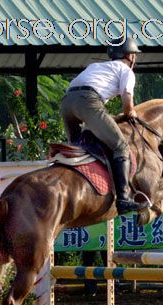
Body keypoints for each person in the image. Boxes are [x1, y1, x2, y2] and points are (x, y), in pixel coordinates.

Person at [60, 37, 148, 215]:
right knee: (121, 146)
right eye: (134, 55)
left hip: (67, 103)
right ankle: (123, 199)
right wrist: (130, 113)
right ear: (129, 56)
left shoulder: (96, 67)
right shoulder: (126, 71)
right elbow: (127, 101)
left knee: (78, 148)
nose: (135, 59)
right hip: (88, 102)